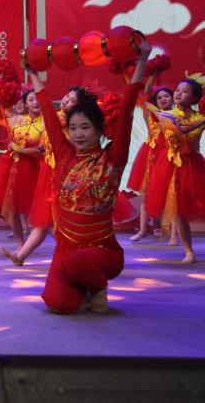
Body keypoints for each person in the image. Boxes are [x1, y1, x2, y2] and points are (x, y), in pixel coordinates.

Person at [26, 39, 150, 314]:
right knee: (59, 303)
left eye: (85, 127)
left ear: (99, 129)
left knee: (78, 265)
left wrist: (142, 61)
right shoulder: (65, 157)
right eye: (73, 128)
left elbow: (127, 111)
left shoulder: (113, 158)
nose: (78, 134)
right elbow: (49, 117)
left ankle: (97, 286)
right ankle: (80, 284)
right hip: (66, 248)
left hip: (102, 252)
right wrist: (34, 75)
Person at [1, 86, 98, 265]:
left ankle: (76, 253)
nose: (66, 100)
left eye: (72, 100)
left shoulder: (72, 123)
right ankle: (21, 256)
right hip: (49, 171)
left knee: (55, 220)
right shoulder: (56, 116)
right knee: (45, 221)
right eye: (66, 96)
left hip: (63, 174)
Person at [145, 76, 205, 263]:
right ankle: (189, 251)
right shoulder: (166, 114)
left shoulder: (198, 117)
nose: (178, 93)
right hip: (170, 166)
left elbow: (191, 135)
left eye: (184, 91)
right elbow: (180, 129)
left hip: (192, 165)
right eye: (177, 90)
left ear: (194, 97)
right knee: (177, 209)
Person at [0, 88, 45, 248]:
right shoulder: (17, 120)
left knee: (41, 208)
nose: (35, 102)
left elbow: (41, 150)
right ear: (26, 104)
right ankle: (21, 244)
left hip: (35, 169)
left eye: (37, 99)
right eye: (31, 100)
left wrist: (21, 149)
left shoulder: (46, 122)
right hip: (12, 168)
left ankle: (48, 240)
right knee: (12, 209)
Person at [128, 84, 173, 242]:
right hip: (151, 157)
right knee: (146, 194)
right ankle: (143, 230)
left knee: (171, 195)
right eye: (159, 97)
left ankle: (173, 233)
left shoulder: (178, 116)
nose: (163, 99)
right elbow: (144, 96)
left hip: (169, 157)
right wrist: (152, 76)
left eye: (166, 96)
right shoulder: (151, 115)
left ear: (173, 99)